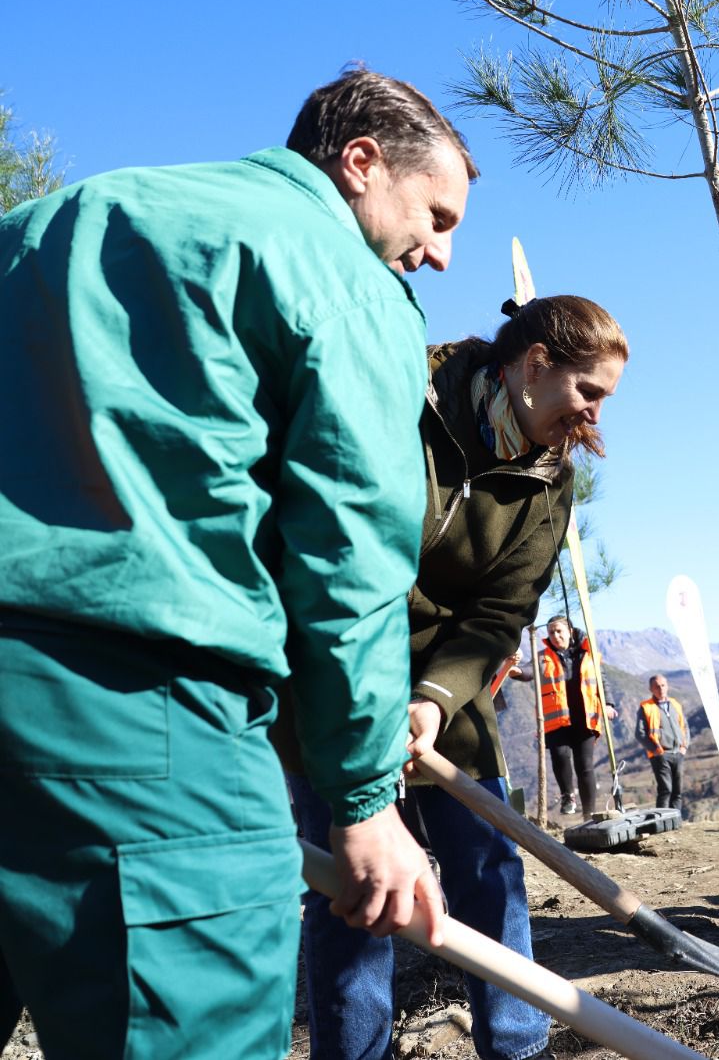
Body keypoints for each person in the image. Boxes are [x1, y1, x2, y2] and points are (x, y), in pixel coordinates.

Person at [0, 69, 472, 1058]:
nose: (438, 251)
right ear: (360, 163)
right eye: (435, 213)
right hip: (138, 710)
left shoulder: (50, 223)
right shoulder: (336, 271)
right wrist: (359, 797)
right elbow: (347, 549)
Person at [287, 294, 628, 1060]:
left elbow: (499, 611)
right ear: (535, 365)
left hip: (446, 682)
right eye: (590, 391)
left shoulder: (551, 483)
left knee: (486, 862)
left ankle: (515, 1045)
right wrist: (371, 694)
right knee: (356, 884)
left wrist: (435, 701)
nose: (595, 416)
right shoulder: (408, 392)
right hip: (339, 660)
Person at [538, 615, 616, 816]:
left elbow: (602, 680)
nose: (555, 636)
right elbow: (529, 672)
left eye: (559, 631)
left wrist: (608, 704)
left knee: (585, 766)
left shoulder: (588, 653)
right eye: (551, 632)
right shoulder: (542, 656)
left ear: (570, 631)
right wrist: (516, 670)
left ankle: (589, 815)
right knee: (560, 755)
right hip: (558, 720)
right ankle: (567, 795)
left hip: (585, 719)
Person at [636, 675, 690, 811]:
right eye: (657, 686)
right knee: (666, 789)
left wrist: (684, 746)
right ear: (651, 689)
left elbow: (685, 727)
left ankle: (675, 820)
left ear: (667, 686)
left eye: (663, 685)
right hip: (660, 755)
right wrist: (655, 750)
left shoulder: (675, 704)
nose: (661, 689)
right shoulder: (646, 707)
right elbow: (640, 733)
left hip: (678, 753)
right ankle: (662, 820)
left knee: (677, 791)